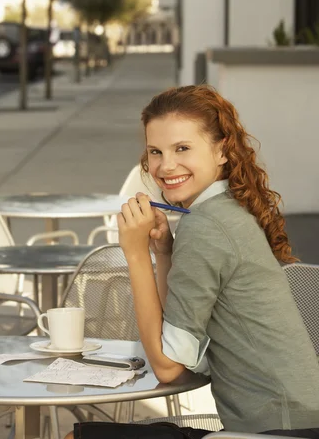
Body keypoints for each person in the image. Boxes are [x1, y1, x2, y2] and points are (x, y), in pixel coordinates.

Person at [65, 85, 319, 439]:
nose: (166, 166)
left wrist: (135, 254)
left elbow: (168, 367)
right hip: (292, 422)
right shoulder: (220, 211)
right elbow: (179, 344)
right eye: (156, 151)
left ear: (222, 151)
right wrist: (164, 253)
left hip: (276, 431)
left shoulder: (206, 226)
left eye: (182, 148)